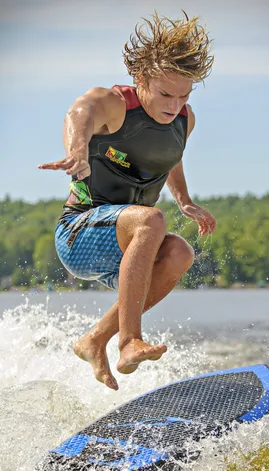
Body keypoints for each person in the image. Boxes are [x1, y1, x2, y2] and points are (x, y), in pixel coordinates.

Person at [38, 12, 216, 390]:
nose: (174, 104)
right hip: (78, 233)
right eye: (166, 93)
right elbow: (78, 113)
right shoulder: (114, 103)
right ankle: (128, 340)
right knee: (151, 220)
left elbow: (170, 154)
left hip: (123, 249)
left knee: (181, 253)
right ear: (141, 79)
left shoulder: (185, 119)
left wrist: (183, 199)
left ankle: (93, 340)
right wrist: (78, 150)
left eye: (183, 95)